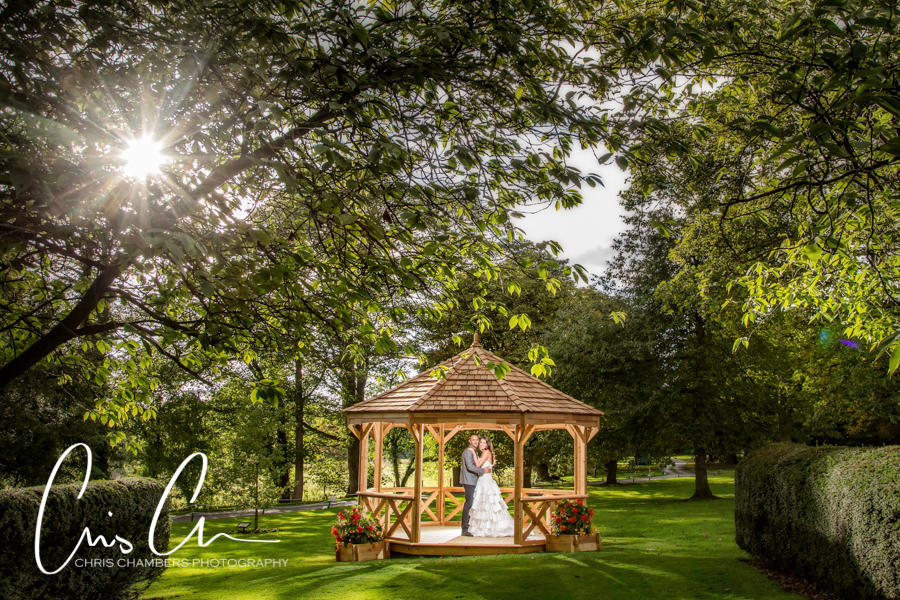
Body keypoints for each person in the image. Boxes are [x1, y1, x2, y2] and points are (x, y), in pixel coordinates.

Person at [468, 435, 515, 537]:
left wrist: (473, 453)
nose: (481, 444)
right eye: (481, 442)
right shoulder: (483, 453)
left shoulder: (486, 452)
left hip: (486, 480)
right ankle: (483, 527)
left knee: (489, 502)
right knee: (483, 504)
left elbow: (478, 465)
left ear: (487, 444)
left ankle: (492, 527)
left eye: (484, 442)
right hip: (482, 479)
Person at [459, 433, 491, 537]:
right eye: (474, 440)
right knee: (469, 503)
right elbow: (470, 467)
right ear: (469, 441)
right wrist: (483, 471)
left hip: (474, 481)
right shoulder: (469, 451)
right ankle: (464, 529)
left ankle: (470, 526)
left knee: (472, 504)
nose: (476, 442)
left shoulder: (474, 451)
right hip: (469, 481)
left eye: (477, 440)